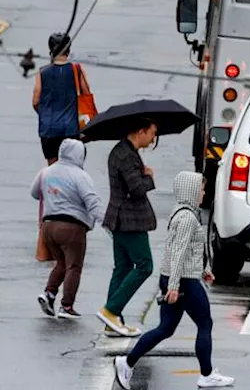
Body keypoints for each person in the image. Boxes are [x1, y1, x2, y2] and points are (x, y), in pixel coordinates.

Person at [114, 172, 234, 389]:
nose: (203, 193)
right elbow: (179, 252)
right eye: (201, 189)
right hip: (183, 281)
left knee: (166, 328)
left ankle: (127, 362)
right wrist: (174, 286)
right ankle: (206, 374)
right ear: (190, 191)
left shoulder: (180, 212)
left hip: (174, 277)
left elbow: (187, 251)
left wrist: (202, 270)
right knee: (205, 323)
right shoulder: (188, 218)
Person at [98, 119, 159, 337]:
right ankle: (111, 310)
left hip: (119, 218)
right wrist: (148, 177)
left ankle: (112, 321)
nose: (153, 140)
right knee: (144, 265)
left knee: (122, 268)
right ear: (141, 131)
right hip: (130, 220)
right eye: (152, 134)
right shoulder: (127, 156)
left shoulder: (121, 151)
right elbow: (137, 189)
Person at [31, 138, 103, 319]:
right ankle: (67, 306)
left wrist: (53, 193)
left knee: (61, 263)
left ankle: (49, 294)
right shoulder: (80, 175)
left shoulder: (46, 172)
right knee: (74, 266)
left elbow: (34, 192)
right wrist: (107, 223)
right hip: (71, 227)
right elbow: (92, 202)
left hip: (48, 227)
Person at [33, 33, 92, 164]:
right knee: (73, 166)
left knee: (52, 168)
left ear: (51, 51)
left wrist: (46, 114)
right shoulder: (76, 70)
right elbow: (86, 94)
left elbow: (36, 102)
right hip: (71, 128)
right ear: (68, 50)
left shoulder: (42, 72)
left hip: (49, 129)